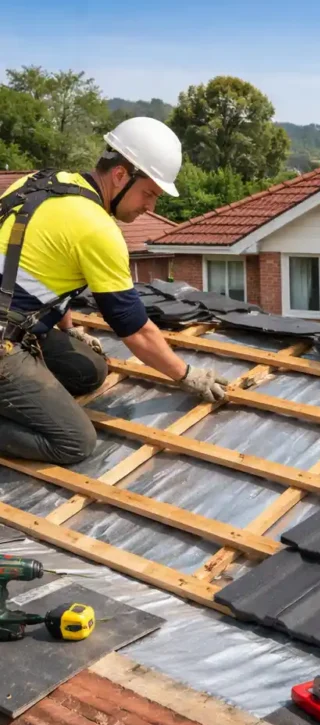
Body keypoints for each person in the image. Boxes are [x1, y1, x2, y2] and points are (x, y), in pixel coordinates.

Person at [0, 117, 228, 465]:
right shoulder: (97, 228)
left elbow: (42, 269)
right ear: (121, 175)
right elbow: (136, 331)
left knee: (88, 371)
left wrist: (69, 328)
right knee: (74, 441)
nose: (150, 207)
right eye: (149, 193)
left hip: (11, 318)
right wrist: (187, 376)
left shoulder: (46, 182)